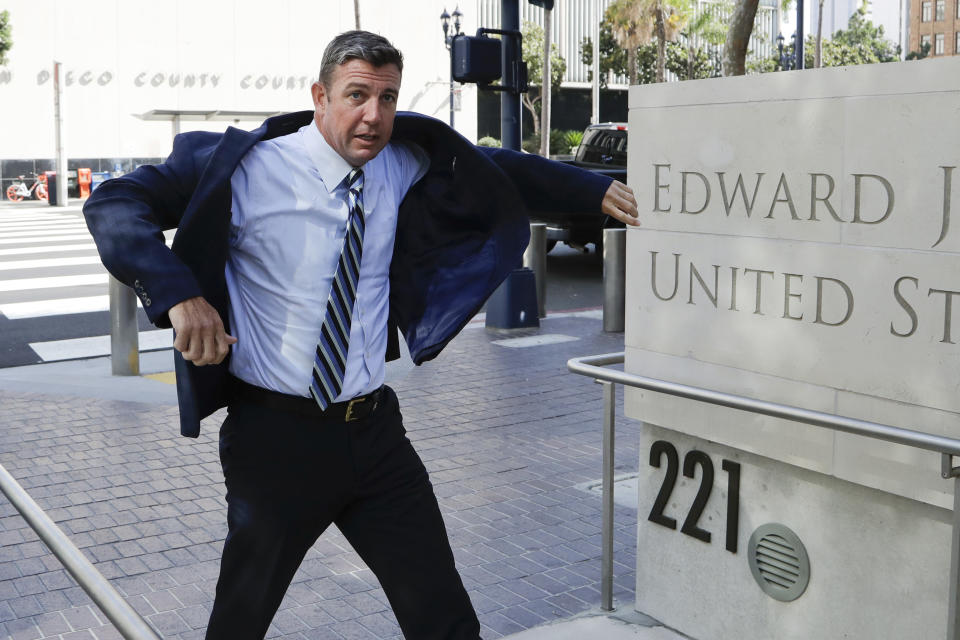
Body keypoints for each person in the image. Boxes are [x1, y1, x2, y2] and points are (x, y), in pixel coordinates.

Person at [84, 30, 638, 640]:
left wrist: (589, 188)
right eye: (356, 95)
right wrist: (179, 294)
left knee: (444, 618)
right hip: (276, 442)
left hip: (377, 438)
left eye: (388, 98)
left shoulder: (399, 160)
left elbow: (491, 165)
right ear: (320, 96)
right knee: (240, 624)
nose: (374, 116)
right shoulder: (246, 167)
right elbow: (114, 202)